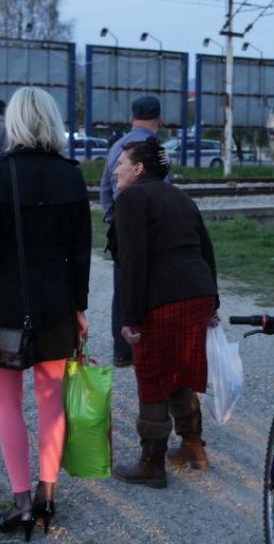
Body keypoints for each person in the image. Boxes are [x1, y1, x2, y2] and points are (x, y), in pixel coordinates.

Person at [0, 87, 91, 540]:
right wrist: (79, 305)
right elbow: (81, 251)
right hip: (57, 303)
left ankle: (20, 500)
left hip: (4, 303)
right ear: (53, 121)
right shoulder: (71, 176)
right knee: (51, 402)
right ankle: (47, 495)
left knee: (7, 403)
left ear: (15, 121)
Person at [109, 137, 218, 489]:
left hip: (163, 300)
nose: (115, 170)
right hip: (196, 294)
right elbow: (206, 249)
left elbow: (134, 262)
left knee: (154, 379)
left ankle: (151, 463)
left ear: (138, 168)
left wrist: (130, 317)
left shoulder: (132, 199)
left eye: (121, 163)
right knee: (181, 370)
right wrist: (212, 301)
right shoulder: (181, 197)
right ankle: (192, 447)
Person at [100, 96, 162, 367]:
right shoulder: (157, 149)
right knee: (152, 284)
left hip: (121, 226)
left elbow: (104, 187)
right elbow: (164, 187)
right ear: (159, 119)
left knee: (122, 285)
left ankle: (122, 351)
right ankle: (149, 344)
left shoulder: (117, 146)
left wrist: (112, 218)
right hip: (152, 226)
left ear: (131, 118)